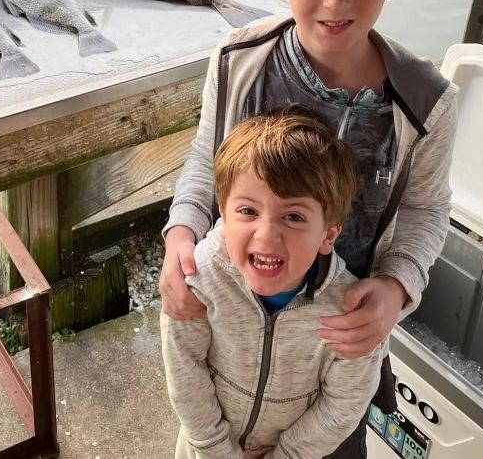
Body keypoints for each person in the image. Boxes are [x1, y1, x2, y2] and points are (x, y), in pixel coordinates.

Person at [160, 0, 458, 457]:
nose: (336, 1)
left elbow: (426, 212)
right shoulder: (239, 61)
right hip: (235, 314)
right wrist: (180, 234)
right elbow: (204, 158)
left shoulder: (428, 103)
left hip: (340, 336)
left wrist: (398, 287)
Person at [161, 110, 383, 459]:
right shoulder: (200, 277)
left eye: (293, 216)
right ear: (222, 210)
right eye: (248, 211)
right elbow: (185, 371)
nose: (266, 235)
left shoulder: (351, 313)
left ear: (328, 234)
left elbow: (344, 404)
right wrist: (217, 452)